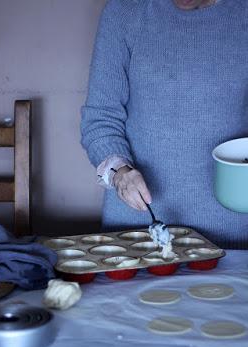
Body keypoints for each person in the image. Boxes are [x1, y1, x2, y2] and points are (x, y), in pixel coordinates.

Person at [80, 0, 248, 249]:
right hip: (137, 230)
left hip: (232, 232)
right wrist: (119, 173)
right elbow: (101, 117)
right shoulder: (125, 10)